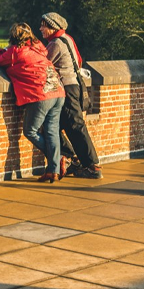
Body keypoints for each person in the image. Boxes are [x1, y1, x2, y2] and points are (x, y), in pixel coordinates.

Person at [0, 22, 67, 183]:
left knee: (30, 130)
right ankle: (53, 170)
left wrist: (4, 49)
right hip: (58, 91)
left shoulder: (15, 52)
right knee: (51, 131)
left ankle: (57, 159)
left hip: (41, 95)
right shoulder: (40, 49)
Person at [40, 12, 102, 179]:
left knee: (75, 126)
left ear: (52, 26)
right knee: (53, 126)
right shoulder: (67, 39)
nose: (40, 29)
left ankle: (92, 166)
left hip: (66, 89)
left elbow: (42, 65)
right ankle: (70, 157)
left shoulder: (55, 44)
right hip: (74, 86)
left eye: (43, 26)